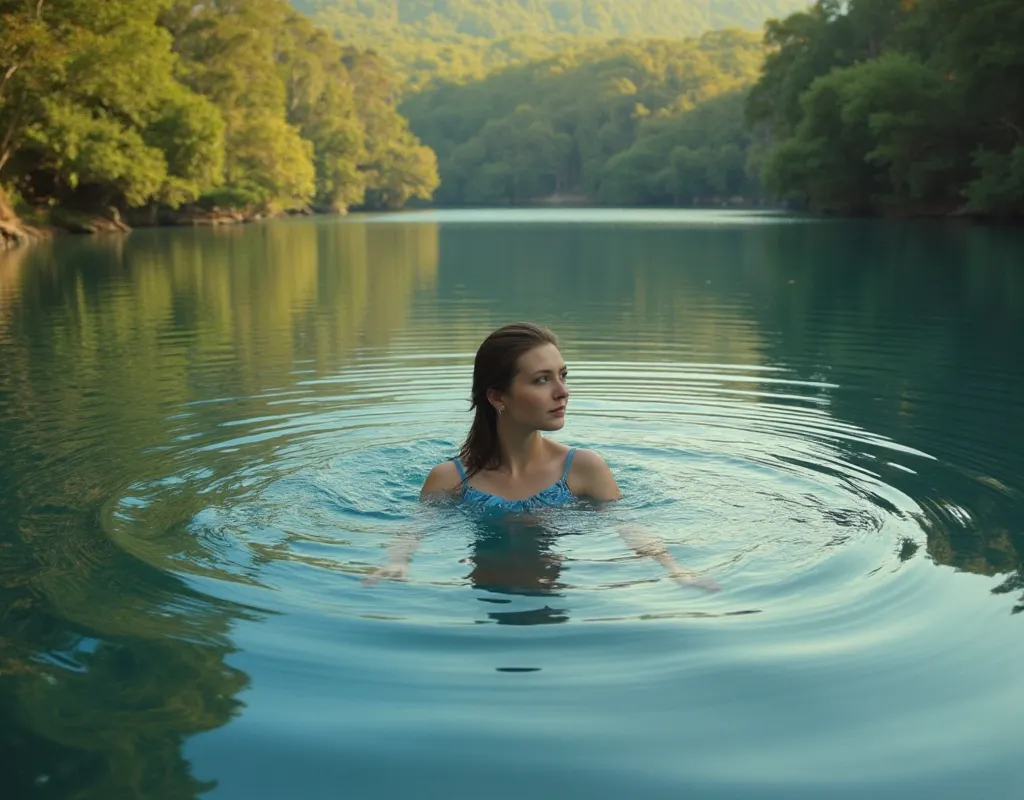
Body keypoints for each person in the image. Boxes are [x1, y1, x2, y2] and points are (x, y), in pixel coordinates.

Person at [365, 322, 718, 591]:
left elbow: (627, 525)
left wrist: (673, 568)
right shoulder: (450, 478)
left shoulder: (583, 468)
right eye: (541, 380)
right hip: (483, 588)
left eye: (562, 376)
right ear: (497, 397)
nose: (563, 392)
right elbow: (413, 530)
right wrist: (397, 564)